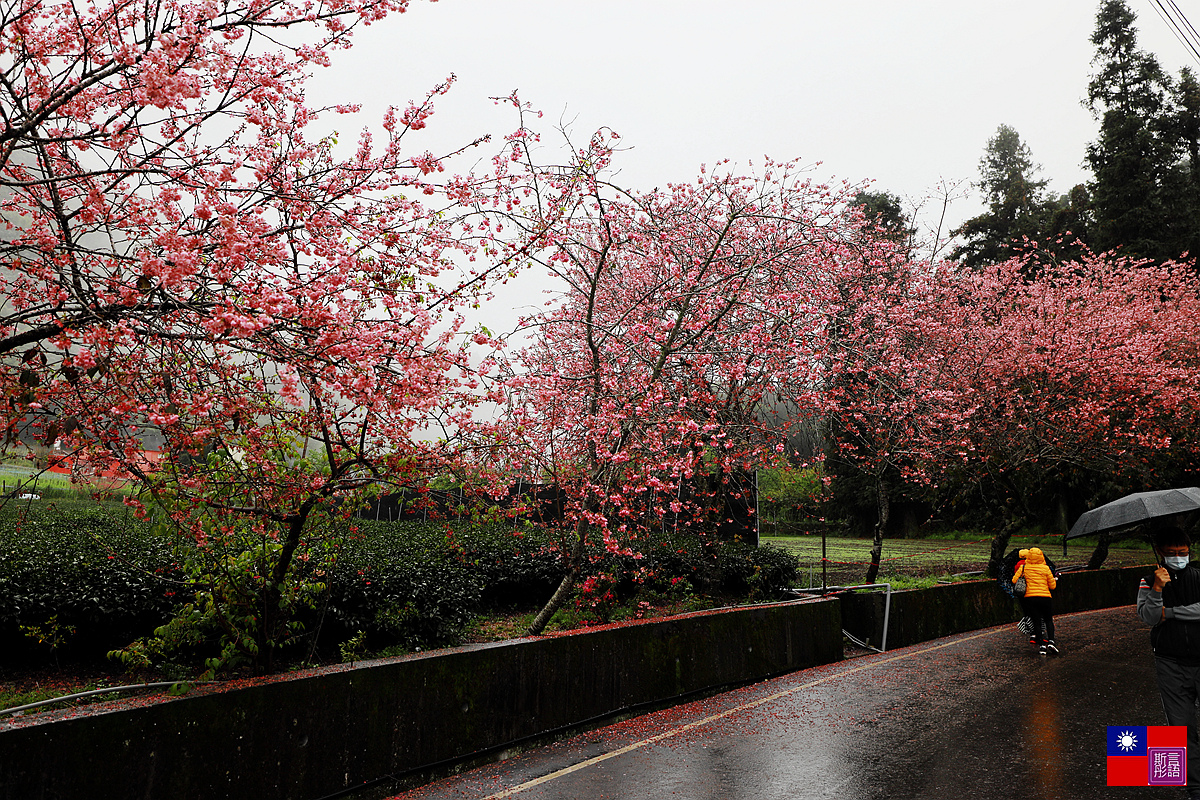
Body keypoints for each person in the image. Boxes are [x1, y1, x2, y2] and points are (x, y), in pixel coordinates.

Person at [1137, 524, 1200, 799]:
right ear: (1161, 553)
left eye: (1183, 552)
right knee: (1182, 728)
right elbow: (1149, 617)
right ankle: (1195, 787)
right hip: (1169, 663)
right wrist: (1158, 589)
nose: (1179, 557)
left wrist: (1170, 612)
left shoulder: (1199, 576)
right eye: (1172, 552)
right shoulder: (1148, 581)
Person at [1013, 546, 1058, 655]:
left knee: (1036, 621)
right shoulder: (1045, 568)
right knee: (1048, 620)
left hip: (1030, 598)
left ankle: (1042, 645)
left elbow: (1014, 580)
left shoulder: (1024, 568)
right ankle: (1051, 641)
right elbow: (1053, 586)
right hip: (1045, 597)